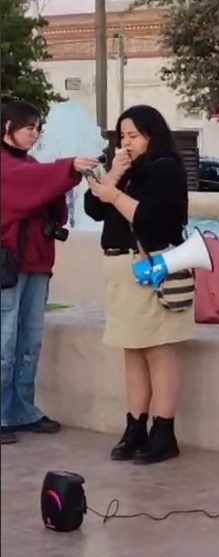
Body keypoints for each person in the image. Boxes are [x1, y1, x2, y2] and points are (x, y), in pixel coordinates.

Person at [83, 105, 192, 466]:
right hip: (118, 265)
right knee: (131, 349)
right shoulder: (121, 167)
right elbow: (92, 208)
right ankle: (135, 426)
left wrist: (114, 194)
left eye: (133, 136)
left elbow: (149, 219)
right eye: (122, 136)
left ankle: (164, 431)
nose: (126, 143)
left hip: (149, 266)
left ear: (152, 134)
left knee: (157, 350)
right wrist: (113, 174)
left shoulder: (166, 169)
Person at [1, 100, 98, 445]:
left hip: (36, 263)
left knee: (30, 340)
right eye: (29, 127)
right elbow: (28, 183)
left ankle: (21, 410)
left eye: (38, 127)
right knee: (5, 341)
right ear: (8, 127)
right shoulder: (8, 166)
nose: (35, 133)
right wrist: (68, 167)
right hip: (9, 266)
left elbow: (41, 186)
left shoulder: (29, 165)